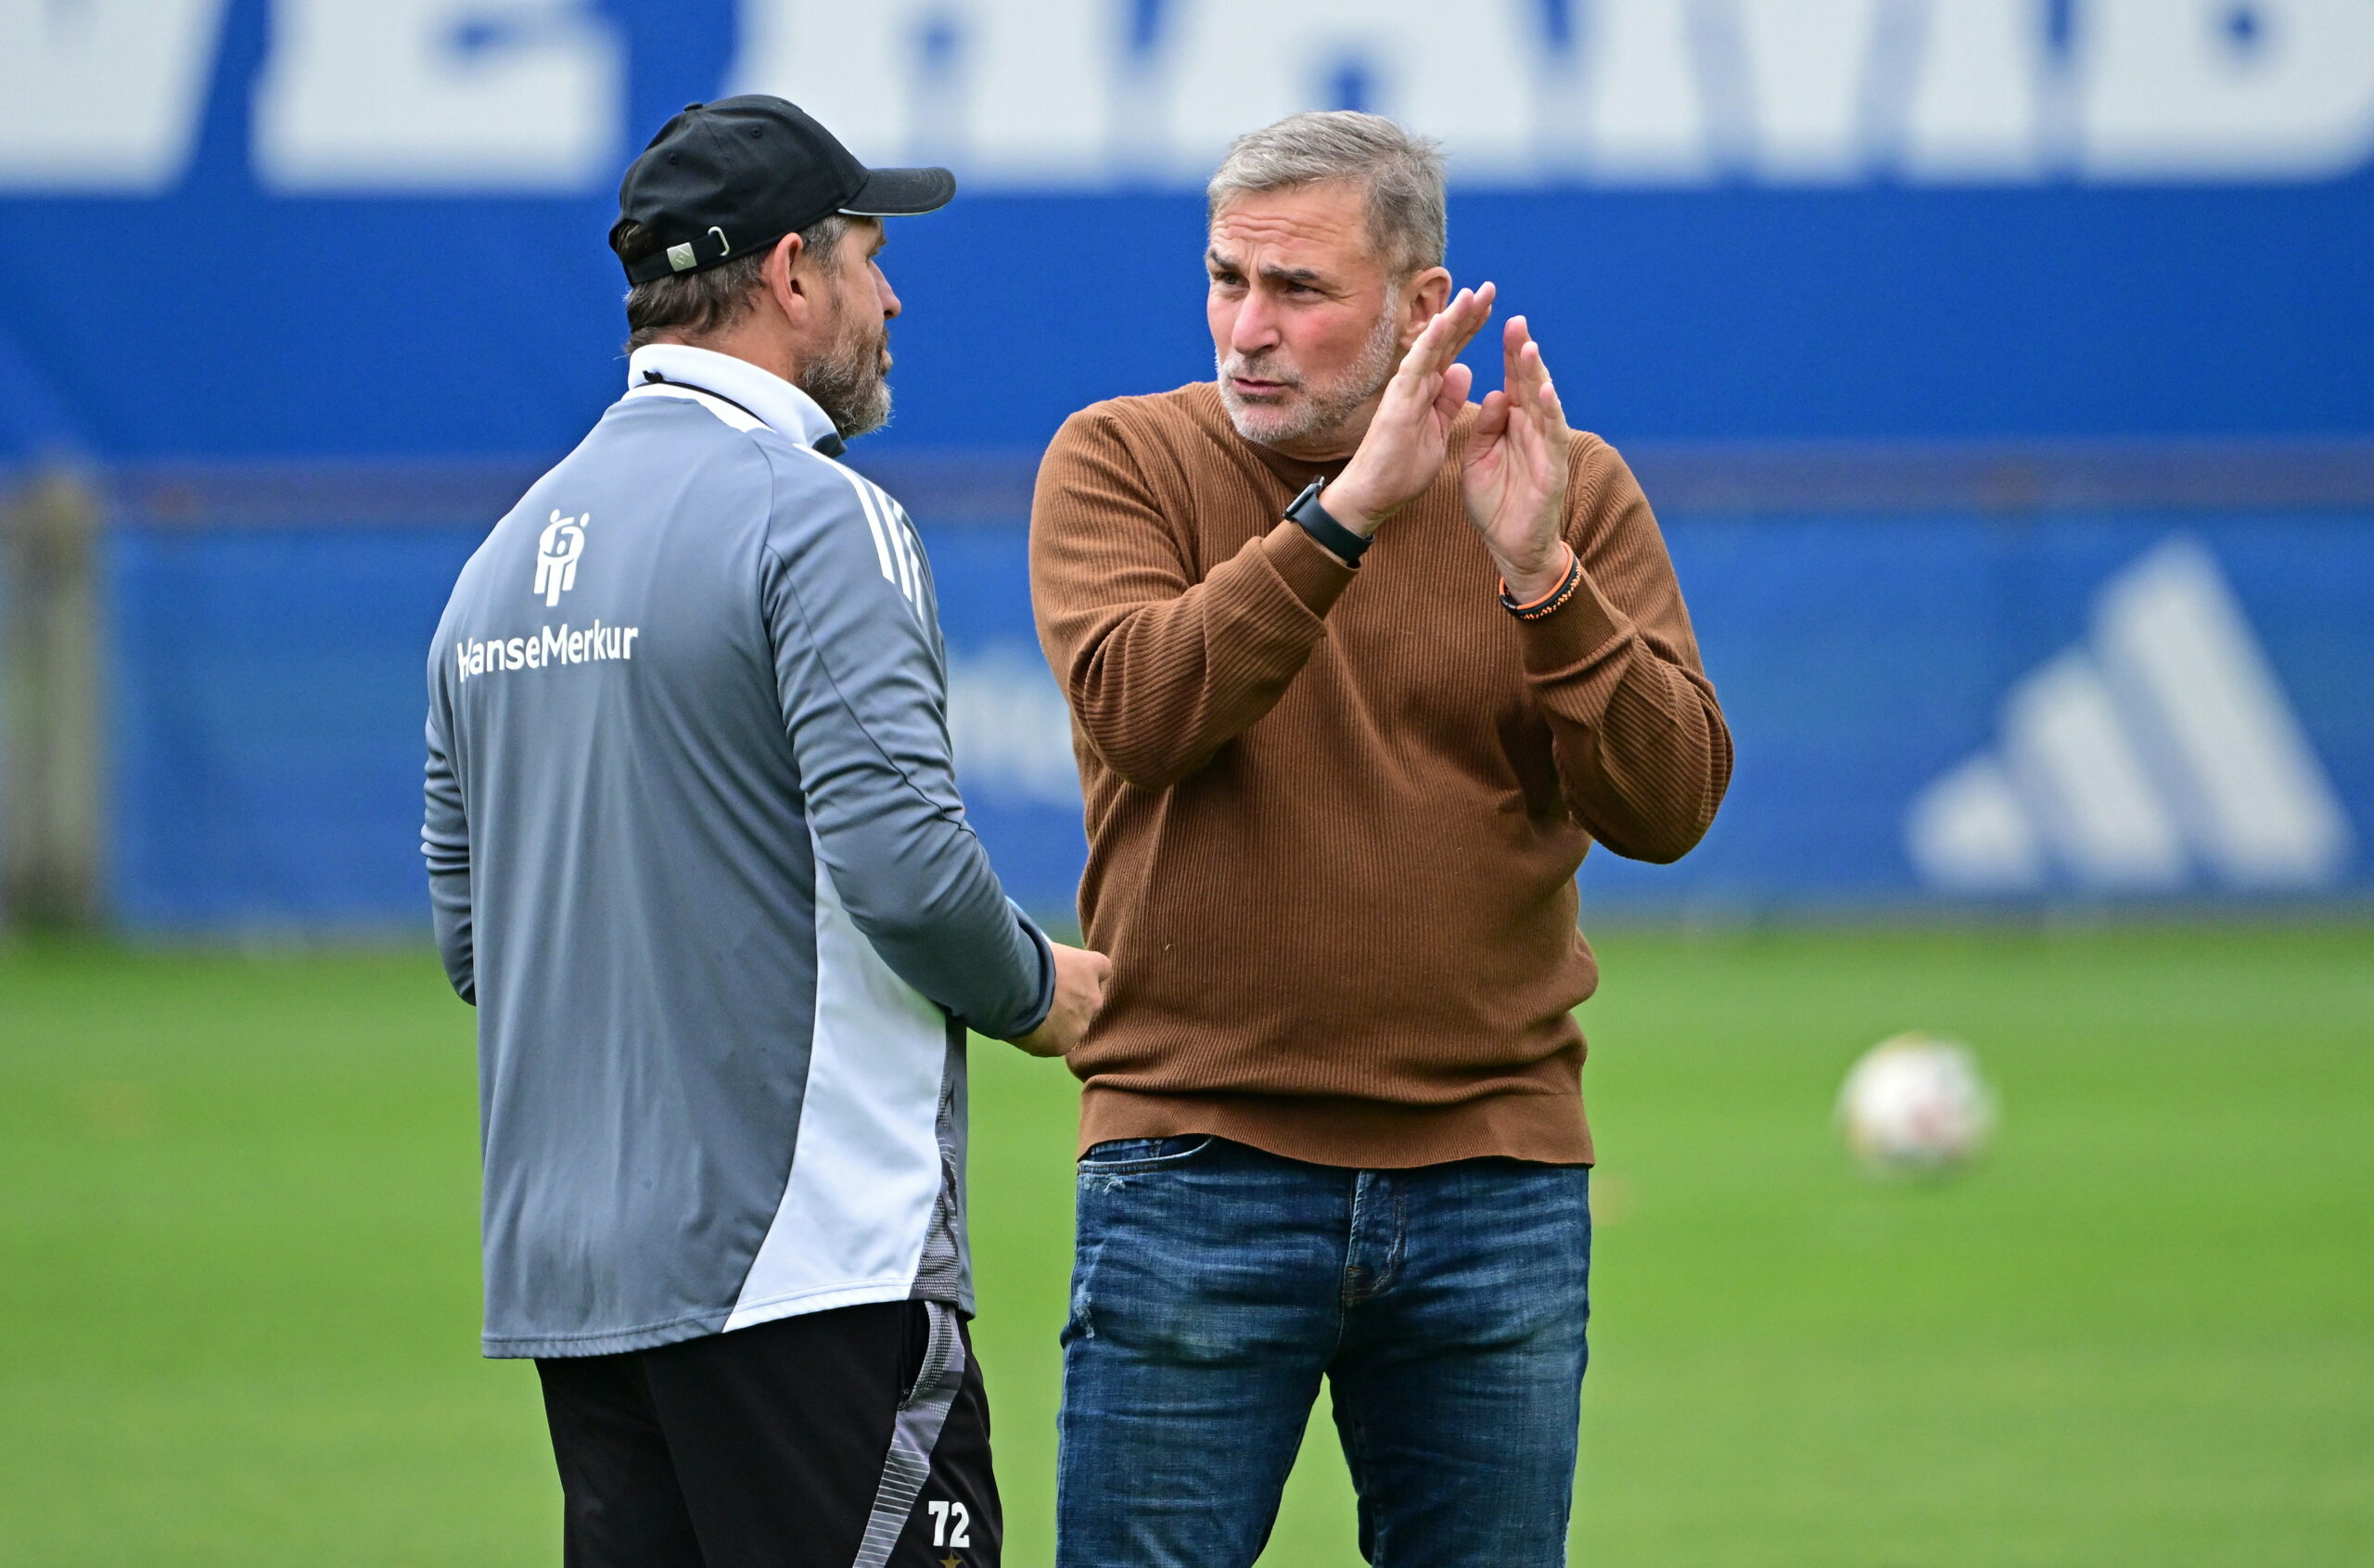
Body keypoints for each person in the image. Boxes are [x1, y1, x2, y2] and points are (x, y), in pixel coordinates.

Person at [1028, 110, 1733, 1567]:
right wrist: (1346, 511)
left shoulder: (1562, 484)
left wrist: (1541, 576)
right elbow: (1149, 712)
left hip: (1495, 1187)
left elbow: (1670, 809)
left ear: (1423, 307)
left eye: (1298, 291)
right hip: (1196, 1166)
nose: (1248, 329)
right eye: (1228, 280)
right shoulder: (1122, 459)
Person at [422, 96, 1109, 1568]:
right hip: (809, 1276)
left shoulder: (496, 564)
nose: (892, 293)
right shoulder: (815, 516)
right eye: (871, 252)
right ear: (794, 273)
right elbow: (908, 873)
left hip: (574, 1283)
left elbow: (477, 940)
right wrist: (1049, 992)